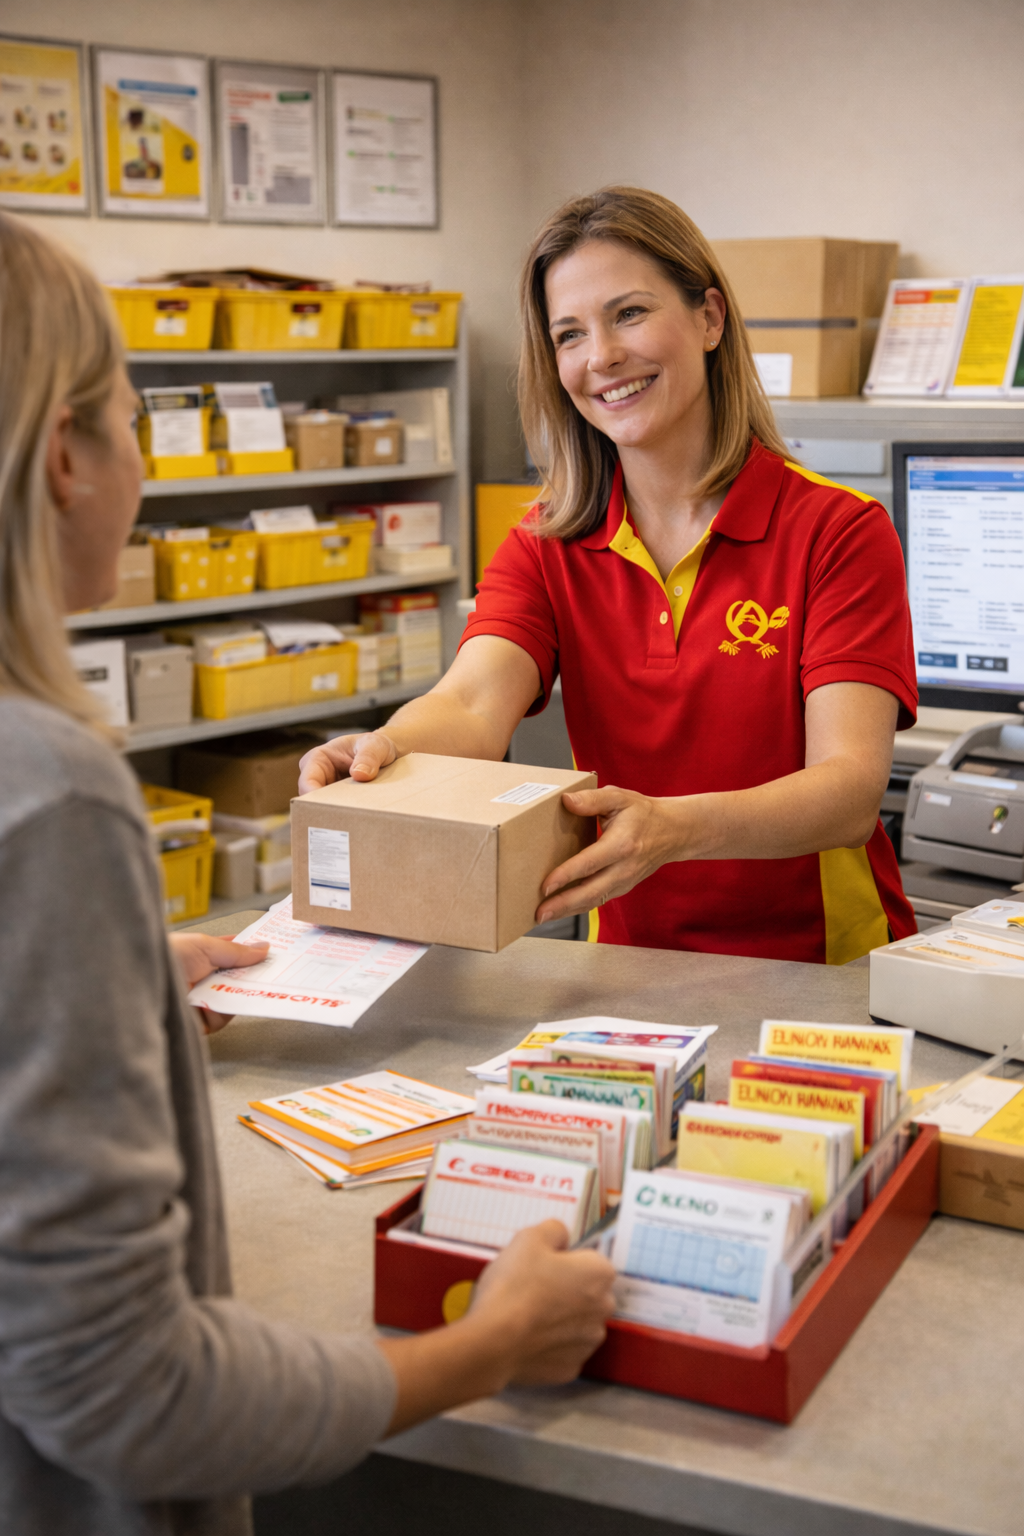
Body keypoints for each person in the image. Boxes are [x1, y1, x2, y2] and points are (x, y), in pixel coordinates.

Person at [0, 212, 615, 1536]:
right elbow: (118, 1388)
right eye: (126, 417)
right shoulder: (49, 795)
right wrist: (487, 1346)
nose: (142, 459)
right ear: (63, 456)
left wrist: (134, 987)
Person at [300, 187, 917, 966]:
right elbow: (468, 701)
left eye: (628, 313)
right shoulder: (546, 542)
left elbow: (848, 791)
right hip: (625, 969)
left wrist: (674, 829)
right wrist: (380, 751)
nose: (601, 357)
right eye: (569, 334)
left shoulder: (837, 530)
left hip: (826, 971)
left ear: (710, 319)